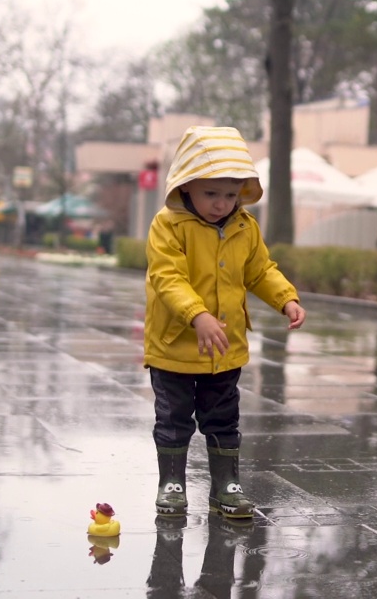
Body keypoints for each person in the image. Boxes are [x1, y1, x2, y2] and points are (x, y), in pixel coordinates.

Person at [145, 125, 306, 520]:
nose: (221, 204)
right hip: (175, 347)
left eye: (231, 195)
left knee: (223, 416)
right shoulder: (168, 225)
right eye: (211, 194)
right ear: (187, 186)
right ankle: (172, 481)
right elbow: (167, 277)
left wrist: (285, 298)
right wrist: (197, 315)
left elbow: (260, 270)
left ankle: (225, 485)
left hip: (225, 347)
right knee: (174, 417)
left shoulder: (244, 226)